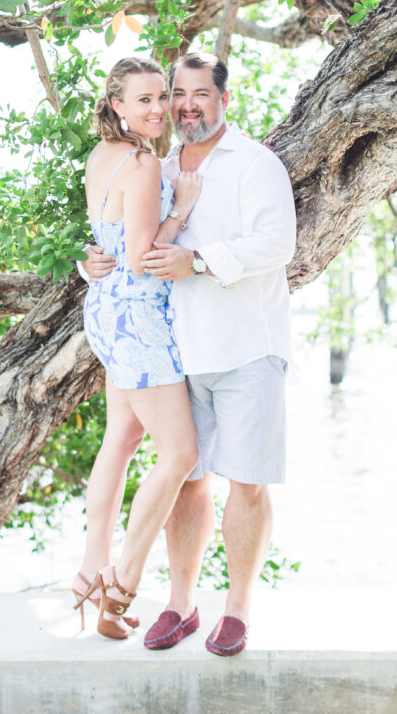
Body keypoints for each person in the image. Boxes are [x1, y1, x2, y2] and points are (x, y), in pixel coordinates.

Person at [84, 52, 296, 656]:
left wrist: (198, 261)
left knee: (246, 483)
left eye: (200, 93)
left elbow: (277, 242)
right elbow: (129, 240)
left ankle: (238, 611)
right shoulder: (161, 162)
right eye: (177, 94)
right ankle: (180, 605)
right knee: (188, 481)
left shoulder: (255, 163)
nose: (185, 105)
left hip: (246, 346)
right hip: (180, 350)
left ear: (224, 99)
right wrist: (90, 259)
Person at [72, 56, 201, 640]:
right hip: (137, 317)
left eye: (160, 98)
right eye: (143, 100)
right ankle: (120, 586)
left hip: (104, 311)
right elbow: (141, 256)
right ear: (117, 105)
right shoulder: (146, 163)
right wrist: (182, 209)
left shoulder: (102, 156)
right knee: (180, 455)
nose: (156, 110)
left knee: (121, 441)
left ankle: (87, 572)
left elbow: (106, 239)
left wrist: (90, 260)